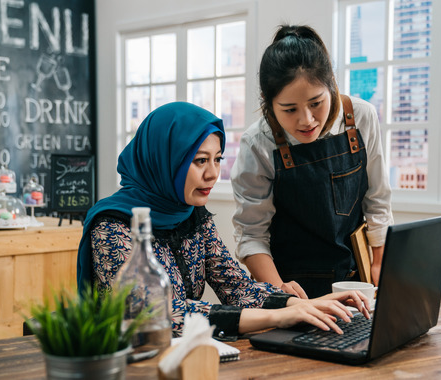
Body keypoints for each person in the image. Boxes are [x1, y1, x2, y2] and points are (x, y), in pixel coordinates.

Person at [76, 101, 370, 340]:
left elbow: (235, 285)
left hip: (185, 356)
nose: (213, 174)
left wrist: (304, 304)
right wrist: (278, 315)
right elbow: (158, 314)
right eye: (200, 161)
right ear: (164, 161)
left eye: (217, 159)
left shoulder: (192, 215)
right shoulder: (113, 226)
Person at [231, 25, 394, 299]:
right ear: (268, 104)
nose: (306, 120)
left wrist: (380, 265)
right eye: (290, 110)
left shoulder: (360, 117)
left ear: (331, 84)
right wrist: (280, 292)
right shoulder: (258, 143)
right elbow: (251, 234)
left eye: (316, 103)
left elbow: (377, 201)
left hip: (355, 281)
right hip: (292, 288)